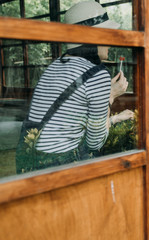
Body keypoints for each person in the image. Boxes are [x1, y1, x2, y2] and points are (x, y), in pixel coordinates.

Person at [16, 1, 133, 173]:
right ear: (92, 39)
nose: (110, 41)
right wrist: (110, 96)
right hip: (61, 168)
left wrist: (115, 118)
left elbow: (65, 126)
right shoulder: (98, 74)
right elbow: (95, 143)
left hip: (30, 164)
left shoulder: (55, 66)